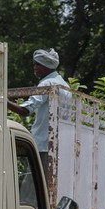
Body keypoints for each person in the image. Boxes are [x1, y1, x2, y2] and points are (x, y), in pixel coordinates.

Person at [8, 48, 72, 179]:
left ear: (48, 66)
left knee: (33, 189)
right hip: (60, 145)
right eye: (35, 64)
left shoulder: (47, 84)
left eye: (38, 65)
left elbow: (25, 111)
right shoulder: (64, 86)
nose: (35, 68)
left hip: (43, 145)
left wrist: (3, 100)